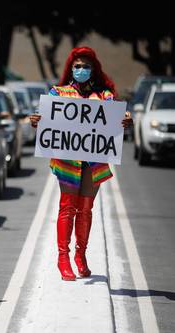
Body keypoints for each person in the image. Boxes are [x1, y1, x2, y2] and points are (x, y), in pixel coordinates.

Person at [29, 47, 133, 281]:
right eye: (77, 66)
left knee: (85, 209)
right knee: (67, 207)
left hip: (94, 161)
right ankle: (63, 258)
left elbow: (117, 117)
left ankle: (81, 256)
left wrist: (125, 120)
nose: (81, 70)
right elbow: (45, 116)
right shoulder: (59, 93)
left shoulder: (104, 96)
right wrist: (37, 120)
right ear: (71, 69)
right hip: (67, 161)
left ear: (93, 69)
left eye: (86, 66)